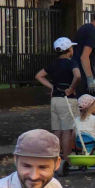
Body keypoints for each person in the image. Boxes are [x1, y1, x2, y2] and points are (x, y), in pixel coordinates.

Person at [35, 37, 81, 171]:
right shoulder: (72, 63)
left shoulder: (53, 64)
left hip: (55, 99)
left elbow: (39, 75)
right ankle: (66, 160)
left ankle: (54, 159)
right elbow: (77, 76)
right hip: (67, 100)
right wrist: (71, 88)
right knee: (67, 130)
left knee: (57, 130)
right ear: (69, 50)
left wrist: (52, 87)